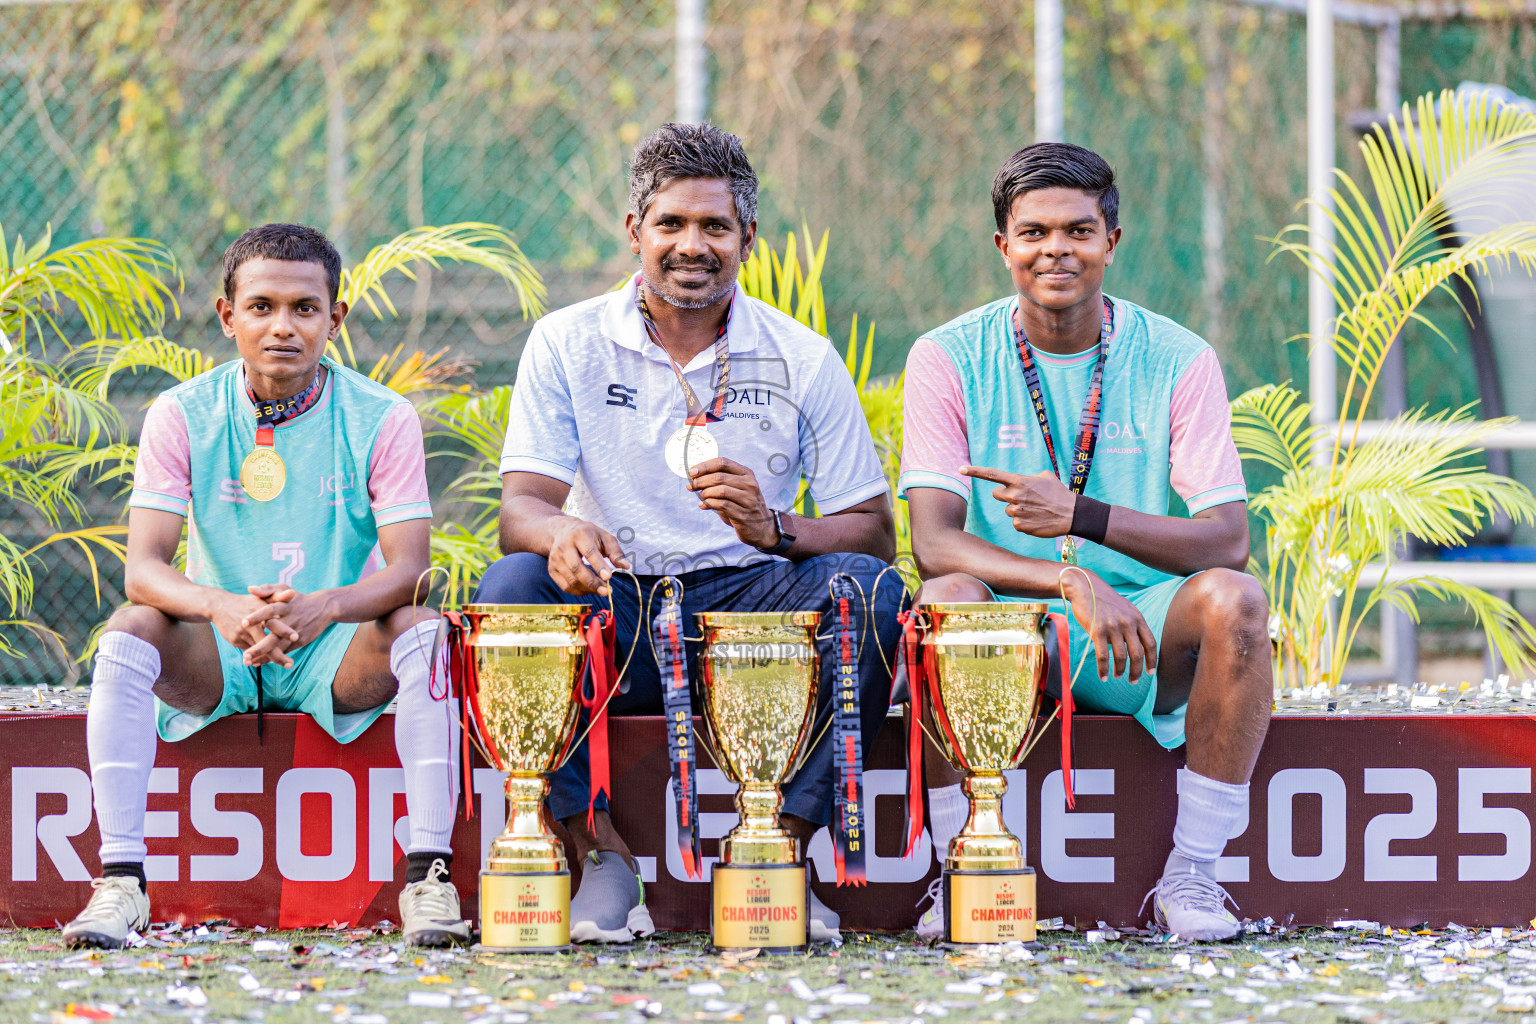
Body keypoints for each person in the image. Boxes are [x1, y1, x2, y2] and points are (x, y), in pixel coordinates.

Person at [474, 122, 903, 944]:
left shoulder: (803, 355)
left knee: (871, 591)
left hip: (751, 609)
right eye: (671, 223)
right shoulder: (567, 341)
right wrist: (562, 533)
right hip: (619, 601)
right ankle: (599, 855)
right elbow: (519, 508)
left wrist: (774, 526)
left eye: (715, 226)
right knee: (512, 589)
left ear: (748, 237)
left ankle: (780, 849)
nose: (692, 245)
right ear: (635, 231)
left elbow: (874, 533)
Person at [900, 143, 1272, 941]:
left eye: (1078, 231)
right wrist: (1066, 579)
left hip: (1139, 632)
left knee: (1237, 601)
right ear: (1003, 246)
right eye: (1033, 233)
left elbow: (1227, 540)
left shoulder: (1177, 357)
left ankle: (1193, 877)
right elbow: (933, 541)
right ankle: (961, 868)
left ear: (1112, 241)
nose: (1055, 251)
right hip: (1008, 633)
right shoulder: (948, 356)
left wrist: (1082, 516)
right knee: (946, 600)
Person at [63, 224, 466, 949]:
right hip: (221, 648)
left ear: (335, 319)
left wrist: (325, 607)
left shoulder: (382, 416)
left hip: (334, 650)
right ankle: (121, 883)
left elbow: (411, 569)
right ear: (228, 316)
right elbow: (144, 567)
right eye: (261, 307)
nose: (283, 326)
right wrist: (220, 605)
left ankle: (429, 880)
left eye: (305, 308)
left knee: (425, 634)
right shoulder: (181, 413)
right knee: (129, 629)